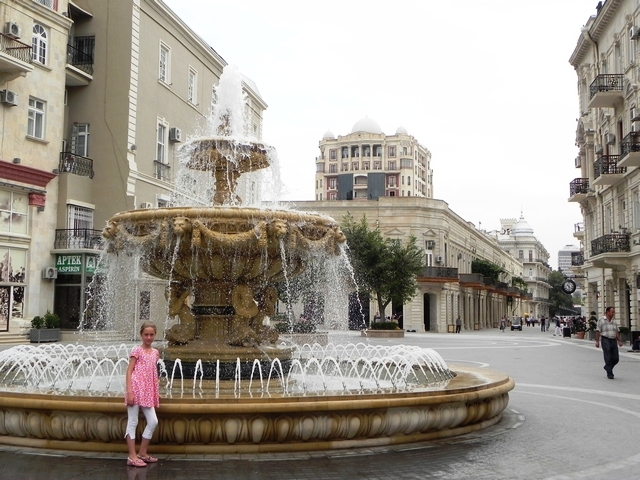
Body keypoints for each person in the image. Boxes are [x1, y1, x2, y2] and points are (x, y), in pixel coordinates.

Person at [125, 321, 160, 467]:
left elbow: (153, 373)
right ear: (141, 335)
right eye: (146, 334)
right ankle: (132, 456)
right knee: (132, 421)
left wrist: (156, 392)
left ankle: (142, 453)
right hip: (135, 389)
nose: (149, 337)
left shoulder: (155, 352)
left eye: (151, 334)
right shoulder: (136, 351)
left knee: (153, 421)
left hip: (147, 392)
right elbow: (129, 371)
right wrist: (129, 391)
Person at [595, 306, 623, 379]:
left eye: (614, 312)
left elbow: (616, 332)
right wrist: (597, 341)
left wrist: (619, 341)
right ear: (607, 312)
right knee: (608, 357)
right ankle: (610, 373)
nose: (613, 313)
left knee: (616, 358)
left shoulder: (614, 321)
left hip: (613, 340)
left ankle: (607, 367)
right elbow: (598, 331)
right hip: (605, 339)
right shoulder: (601, 320)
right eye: (612, 312)